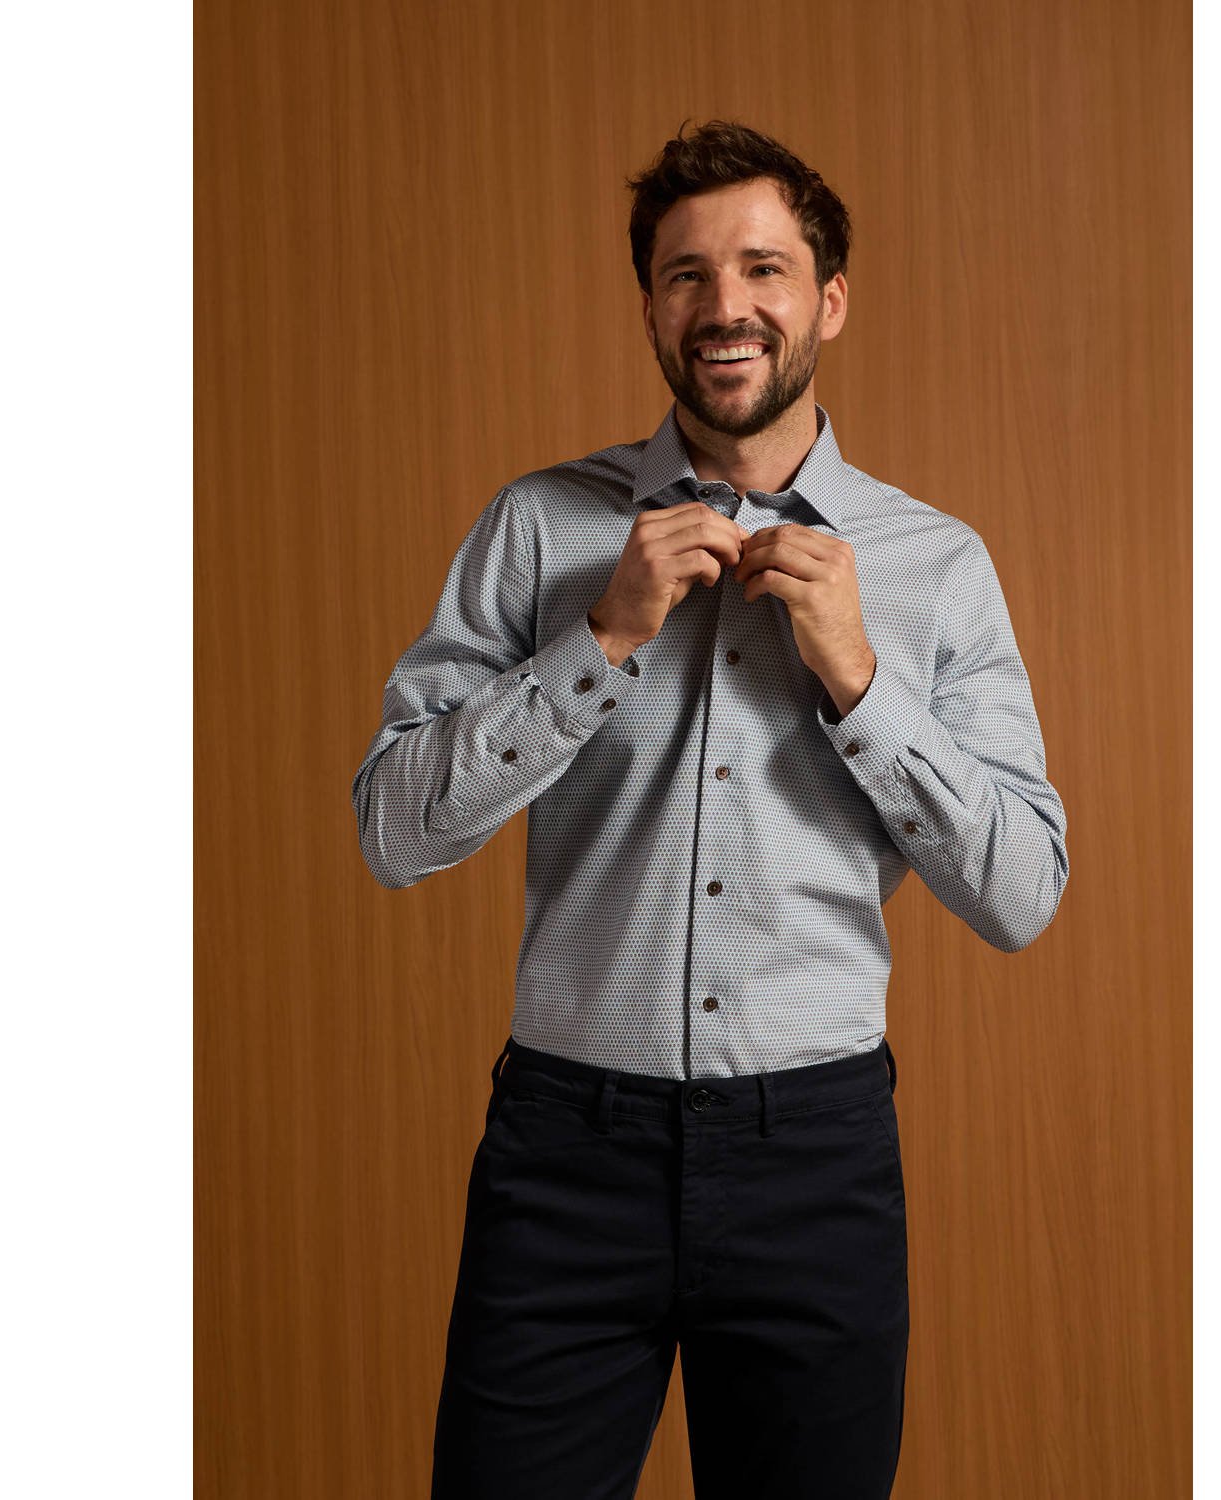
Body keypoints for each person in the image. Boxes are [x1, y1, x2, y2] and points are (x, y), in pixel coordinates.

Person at [350, 118, 1068, 1500]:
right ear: (650, 307)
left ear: (829, 300)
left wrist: (860, 680)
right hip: (567, 1157)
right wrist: (599, 642)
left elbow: (1023, 892)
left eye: (762, 268)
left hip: (817, 1163)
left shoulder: (934, 564)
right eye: (686, 274)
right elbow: (394, 828)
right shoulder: (539, 527)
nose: (724, 305)